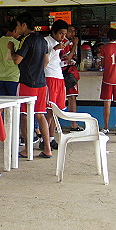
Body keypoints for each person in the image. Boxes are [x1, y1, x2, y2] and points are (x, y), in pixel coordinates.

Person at [7, 11, 52, 158]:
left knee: (25, 115)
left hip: (27, 83)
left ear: (24, 25)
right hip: (41, 83)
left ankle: (27, 149)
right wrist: (38, 71)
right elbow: (46, 61)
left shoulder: (26, 40)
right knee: (40, 115)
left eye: (19, 25)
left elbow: (17, 60)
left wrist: (11, 49)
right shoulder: (42, 40)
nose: (17, 28)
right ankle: (47, 148)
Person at [44, 20, 70, 150]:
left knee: (56, 111)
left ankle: (52, 137)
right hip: (49, 77)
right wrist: (55, 50)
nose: (62, 37)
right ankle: (45, 138)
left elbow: (56, 61)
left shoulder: (59, 44)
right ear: (53, 31)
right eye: (60, 33)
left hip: (59, 77)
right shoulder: (46, 41)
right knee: (49, 110)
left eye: (64, 34)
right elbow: (44, 60)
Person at [61, 25, 82, 131]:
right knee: (68, 98)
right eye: (70, 31)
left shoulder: (71, 42)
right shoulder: (64, 43)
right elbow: (68, 57)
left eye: (74, 31)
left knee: (72, 97)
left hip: (71, 72)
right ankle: (72, 124)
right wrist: (75, 45)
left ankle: (74, 123)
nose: (73, 34)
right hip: (65, 73)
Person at [0, 18, 20, 96]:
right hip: (14, 80)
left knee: (1, 105)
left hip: (0, 80)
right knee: (14, 106)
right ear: (16, 29)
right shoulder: (17, 43)